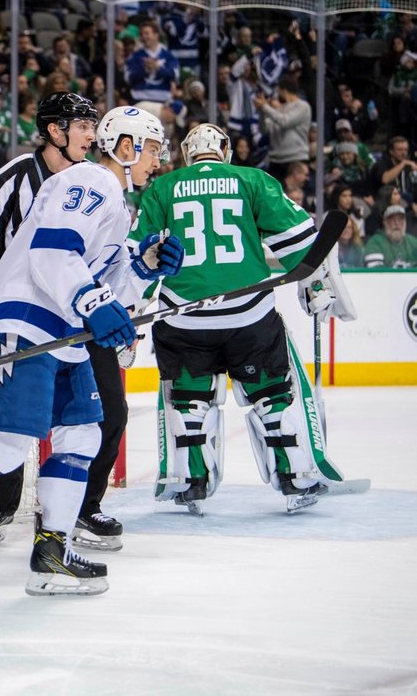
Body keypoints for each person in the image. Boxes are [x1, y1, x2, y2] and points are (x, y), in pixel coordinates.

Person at [0, 106, 182, 596]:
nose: (158, 160)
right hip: (26, 321)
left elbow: (104, 280)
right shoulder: (91, 180)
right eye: (153, 149)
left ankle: (51, 552)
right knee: (5, 445)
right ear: (126, 147)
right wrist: (94, 300)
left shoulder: (117, 202)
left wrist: (143, 266)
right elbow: (52, 252)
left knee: (82, 434)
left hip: (62, 332)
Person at [129, 123, 357, 516]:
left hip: (183, 318)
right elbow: (303, 243)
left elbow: (137, 259)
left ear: (186, 153)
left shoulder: (162, 188)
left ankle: (189, 482)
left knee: (188, 401)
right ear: (225, 151)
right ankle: (296, 477)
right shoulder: (253, 180)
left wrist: (131, 312)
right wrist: (317, 289)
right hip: (248, 314)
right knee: (273, 396)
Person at [0, 93, 140, 553]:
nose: (91, 135)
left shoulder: (105, 185)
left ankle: (82, 506)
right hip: (25, 315)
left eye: (93, 127)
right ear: (55, 130)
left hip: (82, 314)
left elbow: (110, 255)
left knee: (106, 414)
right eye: (82, 126)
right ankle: (0, 502)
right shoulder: (14, 177)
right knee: (12, 418)